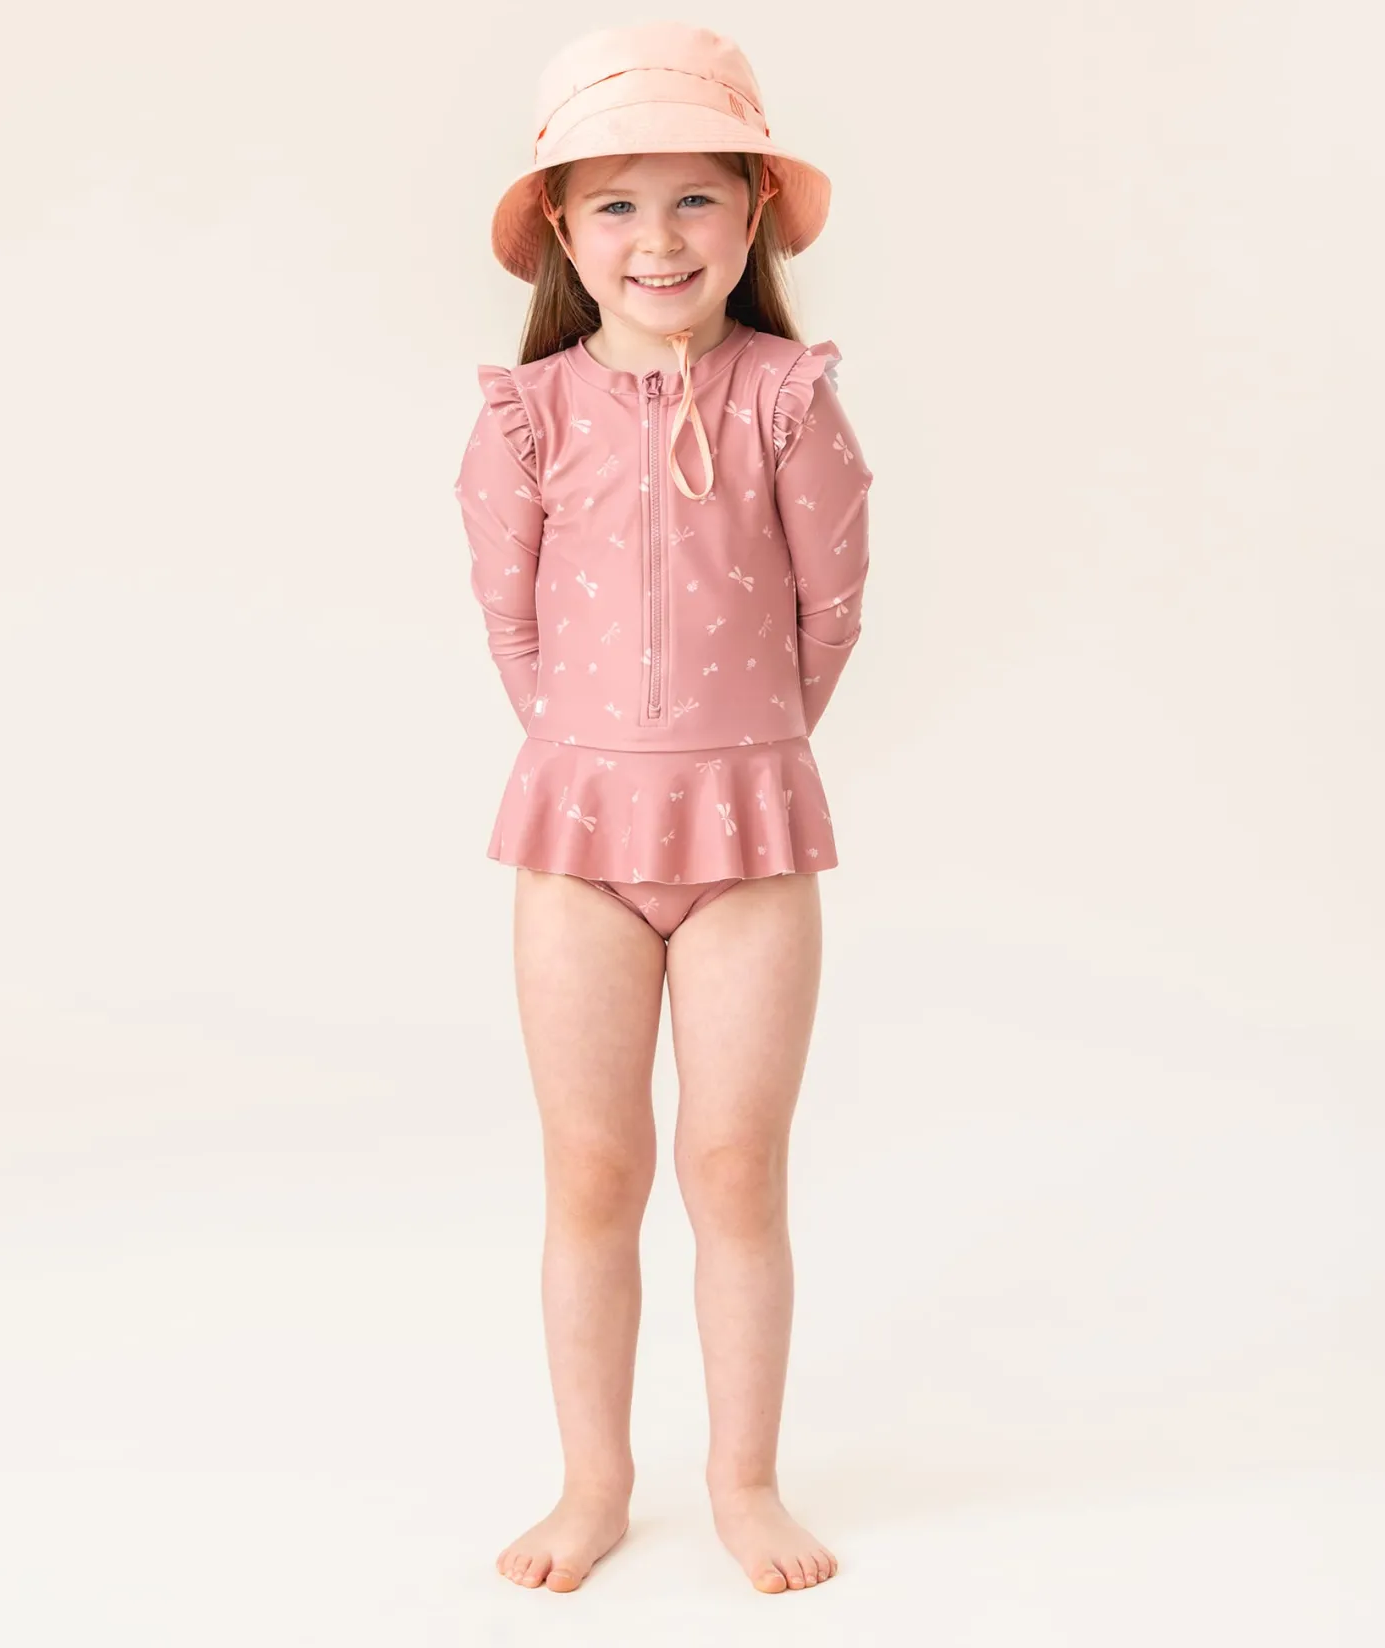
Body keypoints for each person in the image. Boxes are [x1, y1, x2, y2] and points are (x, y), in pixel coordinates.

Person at [452, 21, 873, 1595]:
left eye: (695, 197)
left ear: (753, 212)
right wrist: (605, 763)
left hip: (750, 841)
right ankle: (594, 1482)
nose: (659, 238)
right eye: (618, 205)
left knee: (735, 1168)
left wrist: (735, 757)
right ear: (564, 230)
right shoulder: (527, 415)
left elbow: (832, 611)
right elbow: (511, 625)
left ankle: (745, 1479)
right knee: (592, 1171)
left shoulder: (789, 400)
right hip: (574, 849)